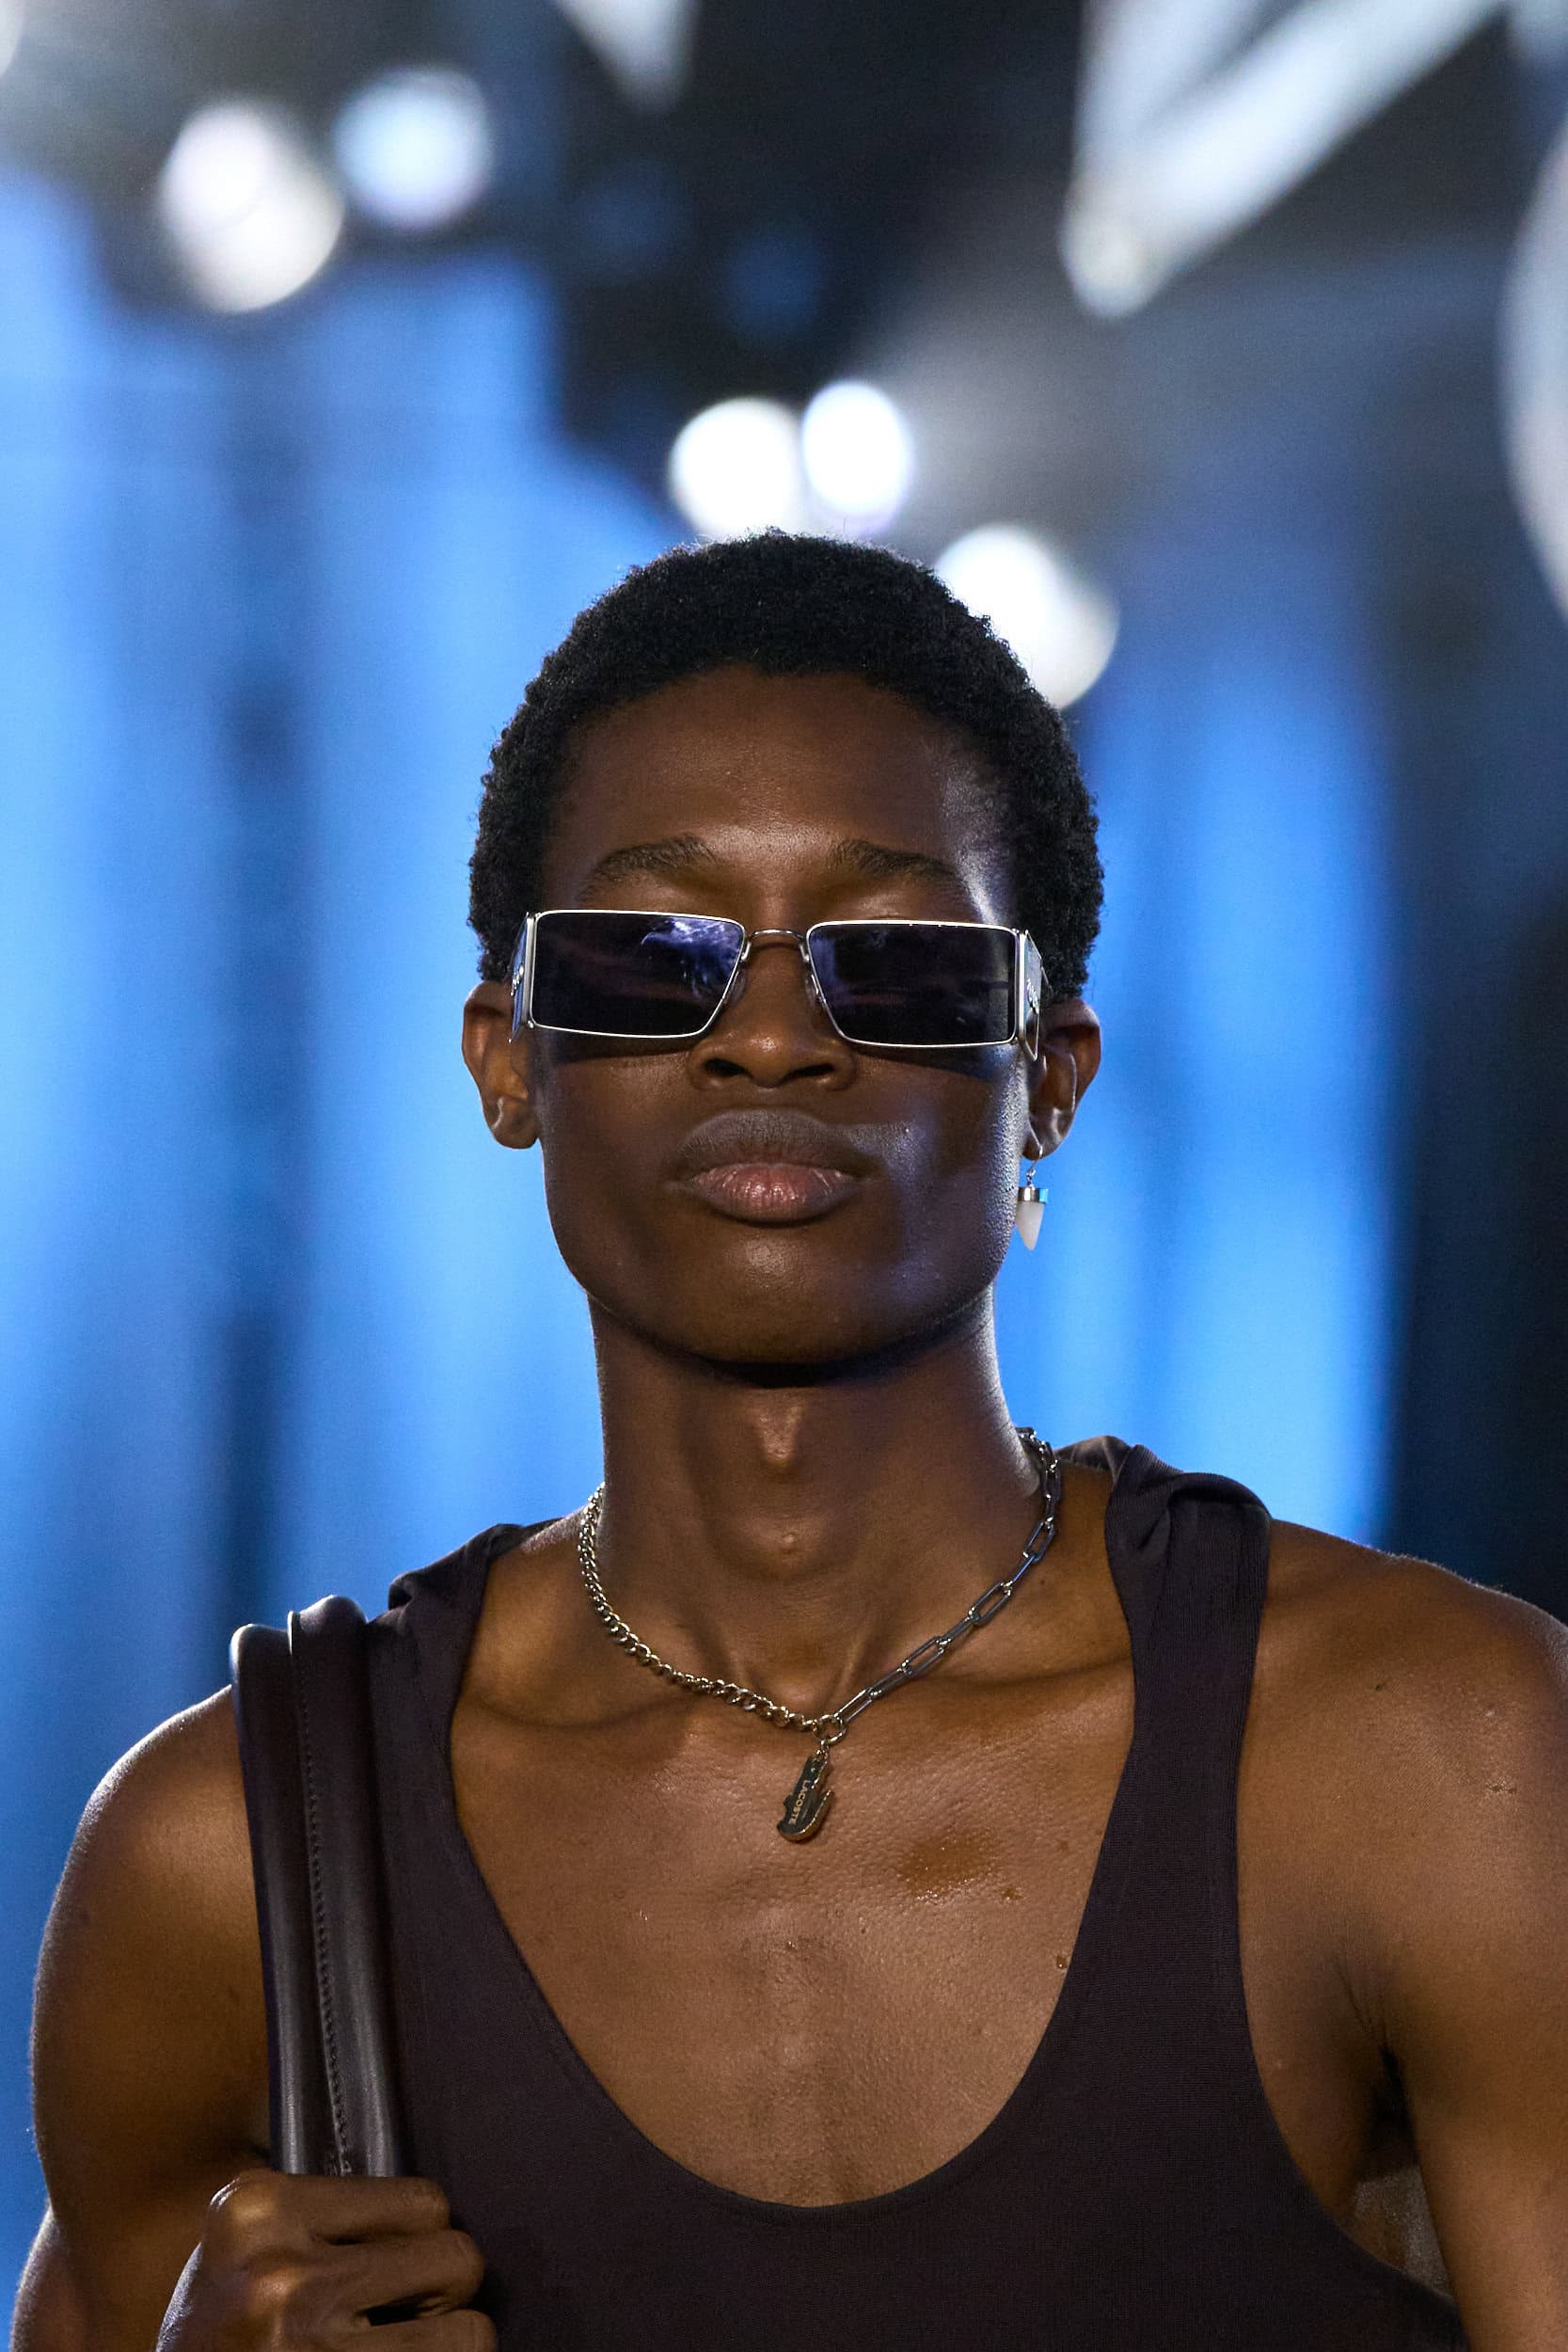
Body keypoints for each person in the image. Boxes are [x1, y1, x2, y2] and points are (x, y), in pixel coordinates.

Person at [13, 533, 1568, 2352]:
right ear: (508, 1059)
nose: (768, 1038)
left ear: (1049, 1074)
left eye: (892, 964)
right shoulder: (230, 1858)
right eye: (649, 957)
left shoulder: (1424, 1758)